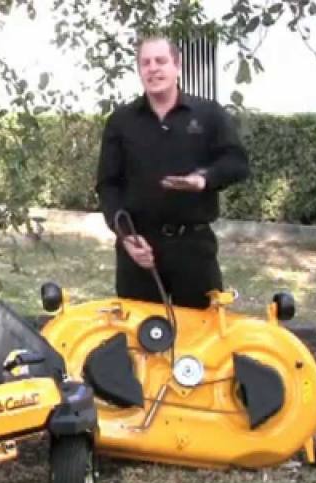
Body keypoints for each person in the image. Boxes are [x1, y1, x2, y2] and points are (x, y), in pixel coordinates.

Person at [96, 35, 250, 309]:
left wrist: (204, 180)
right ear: (139, 70)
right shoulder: (121, 121)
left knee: (203, 340)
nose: (153, 68)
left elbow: (236, 163)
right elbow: (108, 185)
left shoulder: (208, 114)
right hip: (139, 250)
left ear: (177, 66)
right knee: (140, 341)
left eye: (160, 61)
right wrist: (125, 237)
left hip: (193, 248)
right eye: (145, 63)